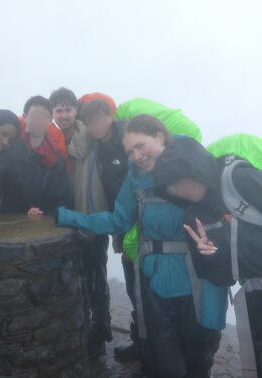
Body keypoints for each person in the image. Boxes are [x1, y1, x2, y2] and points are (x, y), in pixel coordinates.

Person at [56, 114, 227, 377]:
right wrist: (69, 217)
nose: (136, 156)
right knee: (164, 356)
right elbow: (119, 219)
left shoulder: (196, 164)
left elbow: (222, 214)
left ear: (159, 136)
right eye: (130, 151)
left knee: (198, 355)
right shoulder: (135, 178)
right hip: (153, 280)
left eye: (141, 146)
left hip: (197, 279)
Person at [153, 136, 262, 376]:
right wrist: (210, 255)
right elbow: (218, 276)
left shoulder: (238, 179)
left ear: (196, 168)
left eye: (180, 181)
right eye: (172, 188)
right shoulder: (192, 217)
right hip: (253, 292)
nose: (179, 191)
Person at [50, 87, 111, 360]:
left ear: (76, 111)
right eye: (58, 110)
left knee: (94, 277)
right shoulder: (56, 139)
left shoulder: (86, 135)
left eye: (68, 109)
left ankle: (98, 332)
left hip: (90, 217)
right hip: (71, 216)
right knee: (81, 275)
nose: (63, 115)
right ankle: (89, 328)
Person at [79, 98, 139, 361]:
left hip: (140, 223)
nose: (93, 127)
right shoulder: (99, 146)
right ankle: (141, 341)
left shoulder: (125, 140)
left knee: (143, 286)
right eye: (88, 123)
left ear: (110, 116)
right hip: (122, 224)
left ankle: (147, 345)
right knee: (133, 285)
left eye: (96, 121)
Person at [1, 96, 70, 215]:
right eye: (35, 116)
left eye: (44, 117)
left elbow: (60, 197)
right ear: (25, 117)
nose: (39, 121)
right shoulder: (8, 149)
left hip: (42, 220)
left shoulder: (57, 158)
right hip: (7, 219)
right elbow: (0, 187)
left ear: (50, 120)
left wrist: (41, 212)